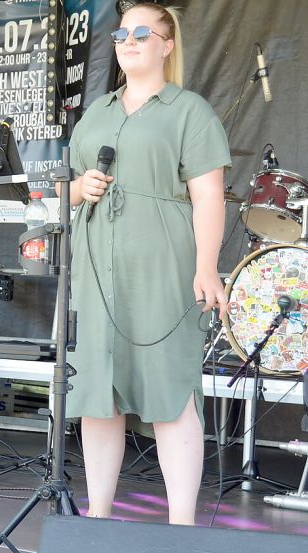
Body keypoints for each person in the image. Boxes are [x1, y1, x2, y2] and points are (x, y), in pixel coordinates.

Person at [59, 3, 230, 525]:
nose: (128, 41)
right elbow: (67, 186)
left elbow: (209, 196)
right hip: (97, 273)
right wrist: (77, 188)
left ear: (167, 44)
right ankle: (98, 517)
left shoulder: (189, 110)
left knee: (170, 392)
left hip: (162, 270)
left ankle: (181, 527)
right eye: (121, 34)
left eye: (141, 32)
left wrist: (206, 267)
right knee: (98, 396)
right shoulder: (97, 111)